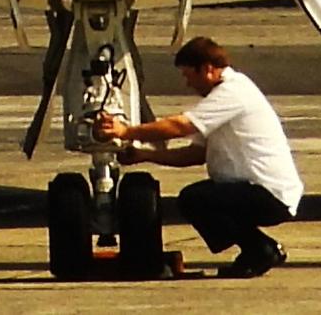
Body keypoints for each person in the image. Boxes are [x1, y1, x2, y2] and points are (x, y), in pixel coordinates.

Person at [93, 35, 303, 277]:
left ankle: (259, 250)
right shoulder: (228, 93)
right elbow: (196, 154)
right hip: (255, 191)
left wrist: (126, 131)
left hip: (268, 194)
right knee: (196, 197)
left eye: (188, 75)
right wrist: (144, 155)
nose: (188, 84)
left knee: (196, 199)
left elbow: (181, 126)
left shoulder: (232, 92)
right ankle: (258, 249)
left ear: (207, 69)